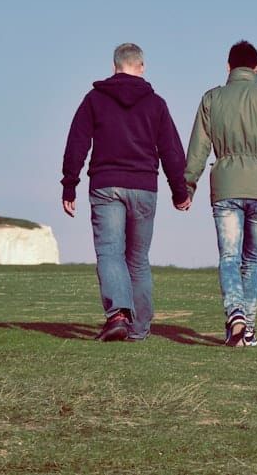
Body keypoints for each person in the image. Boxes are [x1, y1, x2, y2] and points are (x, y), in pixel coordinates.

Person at [61, 43, 191, 342]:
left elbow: (77, 143)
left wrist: (70, 184)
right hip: (144, 187)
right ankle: (140, 328)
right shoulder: (156, 103)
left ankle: (118, 314)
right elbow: (171, 150)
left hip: (106, 185)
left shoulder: (94, 99)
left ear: (114, 65)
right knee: (138, 258)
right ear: (141, 67)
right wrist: (180, 192)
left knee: (110, 251)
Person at [182, 40, 257, 347]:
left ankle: (236, 315)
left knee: (229, 257)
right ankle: (249, 329)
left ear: (228, 67)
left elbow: (199, 148)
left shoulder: (211, 99)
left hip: (226, 187)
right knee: (253, 260)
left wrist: (187, 184)